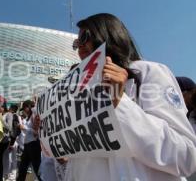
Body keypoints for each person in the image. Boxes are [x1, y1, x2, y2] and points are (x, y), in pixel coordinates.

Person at [64, 13, 196, 181]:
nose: (80, 48)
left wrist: (120, 103)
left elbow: (186, 156)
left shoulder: (148, 72)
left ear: (108, 34)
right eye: (76, 43)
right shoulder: (82, 94)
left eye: (84, 37)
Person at [16, 100, 42, 181]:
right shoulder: (28, 117)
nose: (23, 111)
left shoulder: (34, 115)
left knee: (36, 167)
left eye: (24, 108)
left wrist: (24, 128)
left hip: (33, 145)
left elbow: (37, 132)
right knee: (22, 168)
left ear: (28, 107)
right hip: (27, 145)